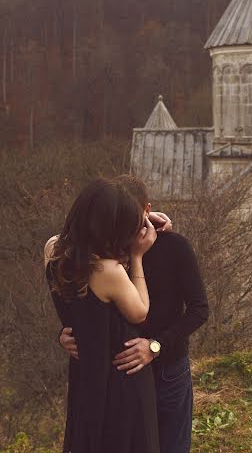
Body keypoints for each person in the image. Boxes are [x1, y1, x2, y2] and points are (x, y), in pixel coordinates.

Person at [58, 174, 209, 453]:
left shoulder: (174, 246)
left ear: (147, 211)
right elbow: (83, 302)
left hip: (166, 370)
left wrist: (155, 346)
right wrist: (66, 334)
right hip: (118, 379)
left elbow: (199, 310)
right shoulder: (102, 251)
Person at [44, 176, 160, 453]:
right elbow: (140, 312)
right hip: (121, 379)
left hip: (85, 374)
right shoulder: (108, 271)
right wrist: (137, 258)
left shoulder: (53, 250)